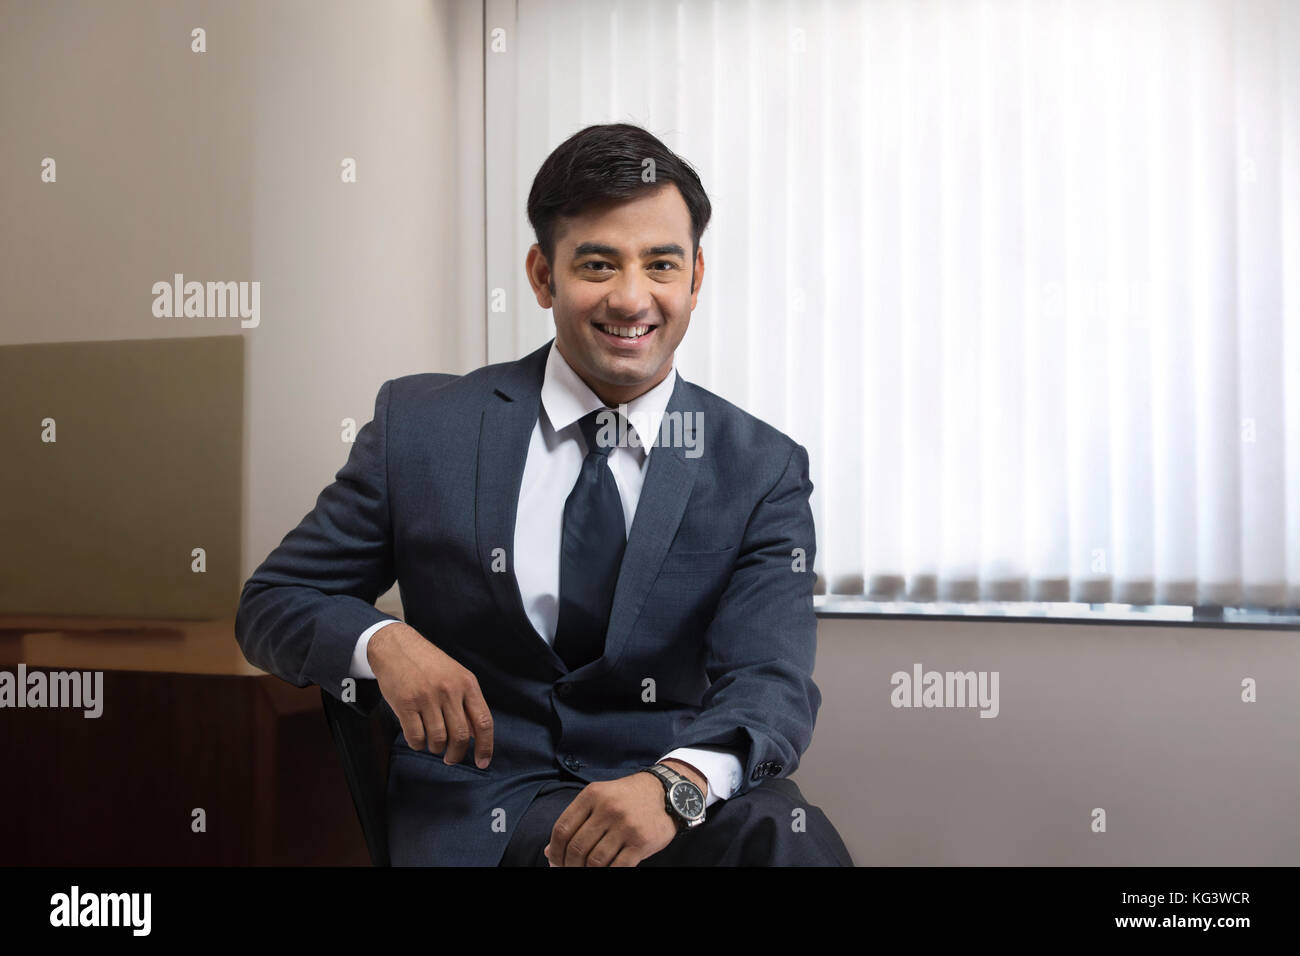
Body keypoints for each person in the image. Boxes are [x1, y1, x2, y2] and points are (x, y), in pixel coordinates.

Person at [235, 123, 852, 867]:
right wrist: (381, 641)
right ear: (541, 275)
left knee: (792, 841)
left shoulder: (761, 467)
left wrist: (675, 785)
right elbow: (272, 601)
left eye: (661, 264)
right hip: (488, 812)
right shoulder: (424, 430)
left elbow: (771, 683)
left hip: (667, 795)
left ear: (694, 279)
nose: (632, 298)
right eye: (598, 264)